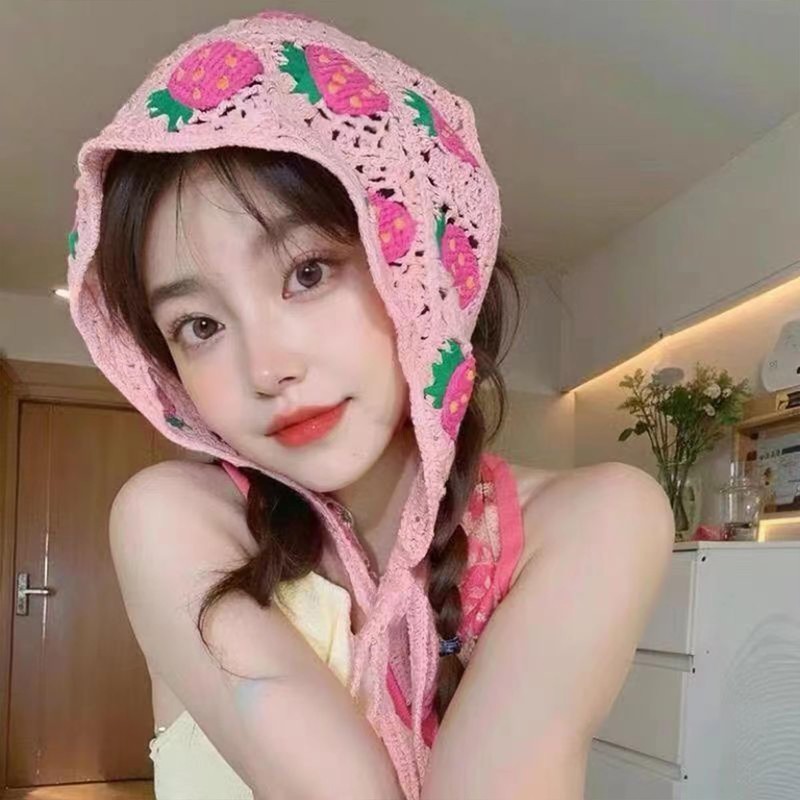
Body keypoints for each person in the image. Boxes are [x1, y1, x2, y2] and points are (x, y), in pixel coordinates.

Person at [66, 10, 674, 800]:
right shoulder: (172, 519)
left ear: (417, 258)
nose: (268, 368)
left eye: (308, 272)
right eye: (201, 326)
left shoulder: (595, 520)